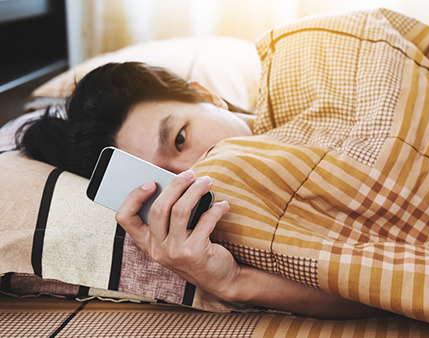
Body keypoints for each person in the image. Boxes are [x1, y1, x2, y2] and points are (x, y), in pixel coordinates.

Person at [18, 62, 385, 319]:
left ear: (206, 95)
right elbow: (384, 294)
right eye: (163, 184)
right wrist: (234, 283)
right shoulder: (237, 230)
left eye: (180, 138)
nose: (191, 175)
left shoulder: (321, 90)